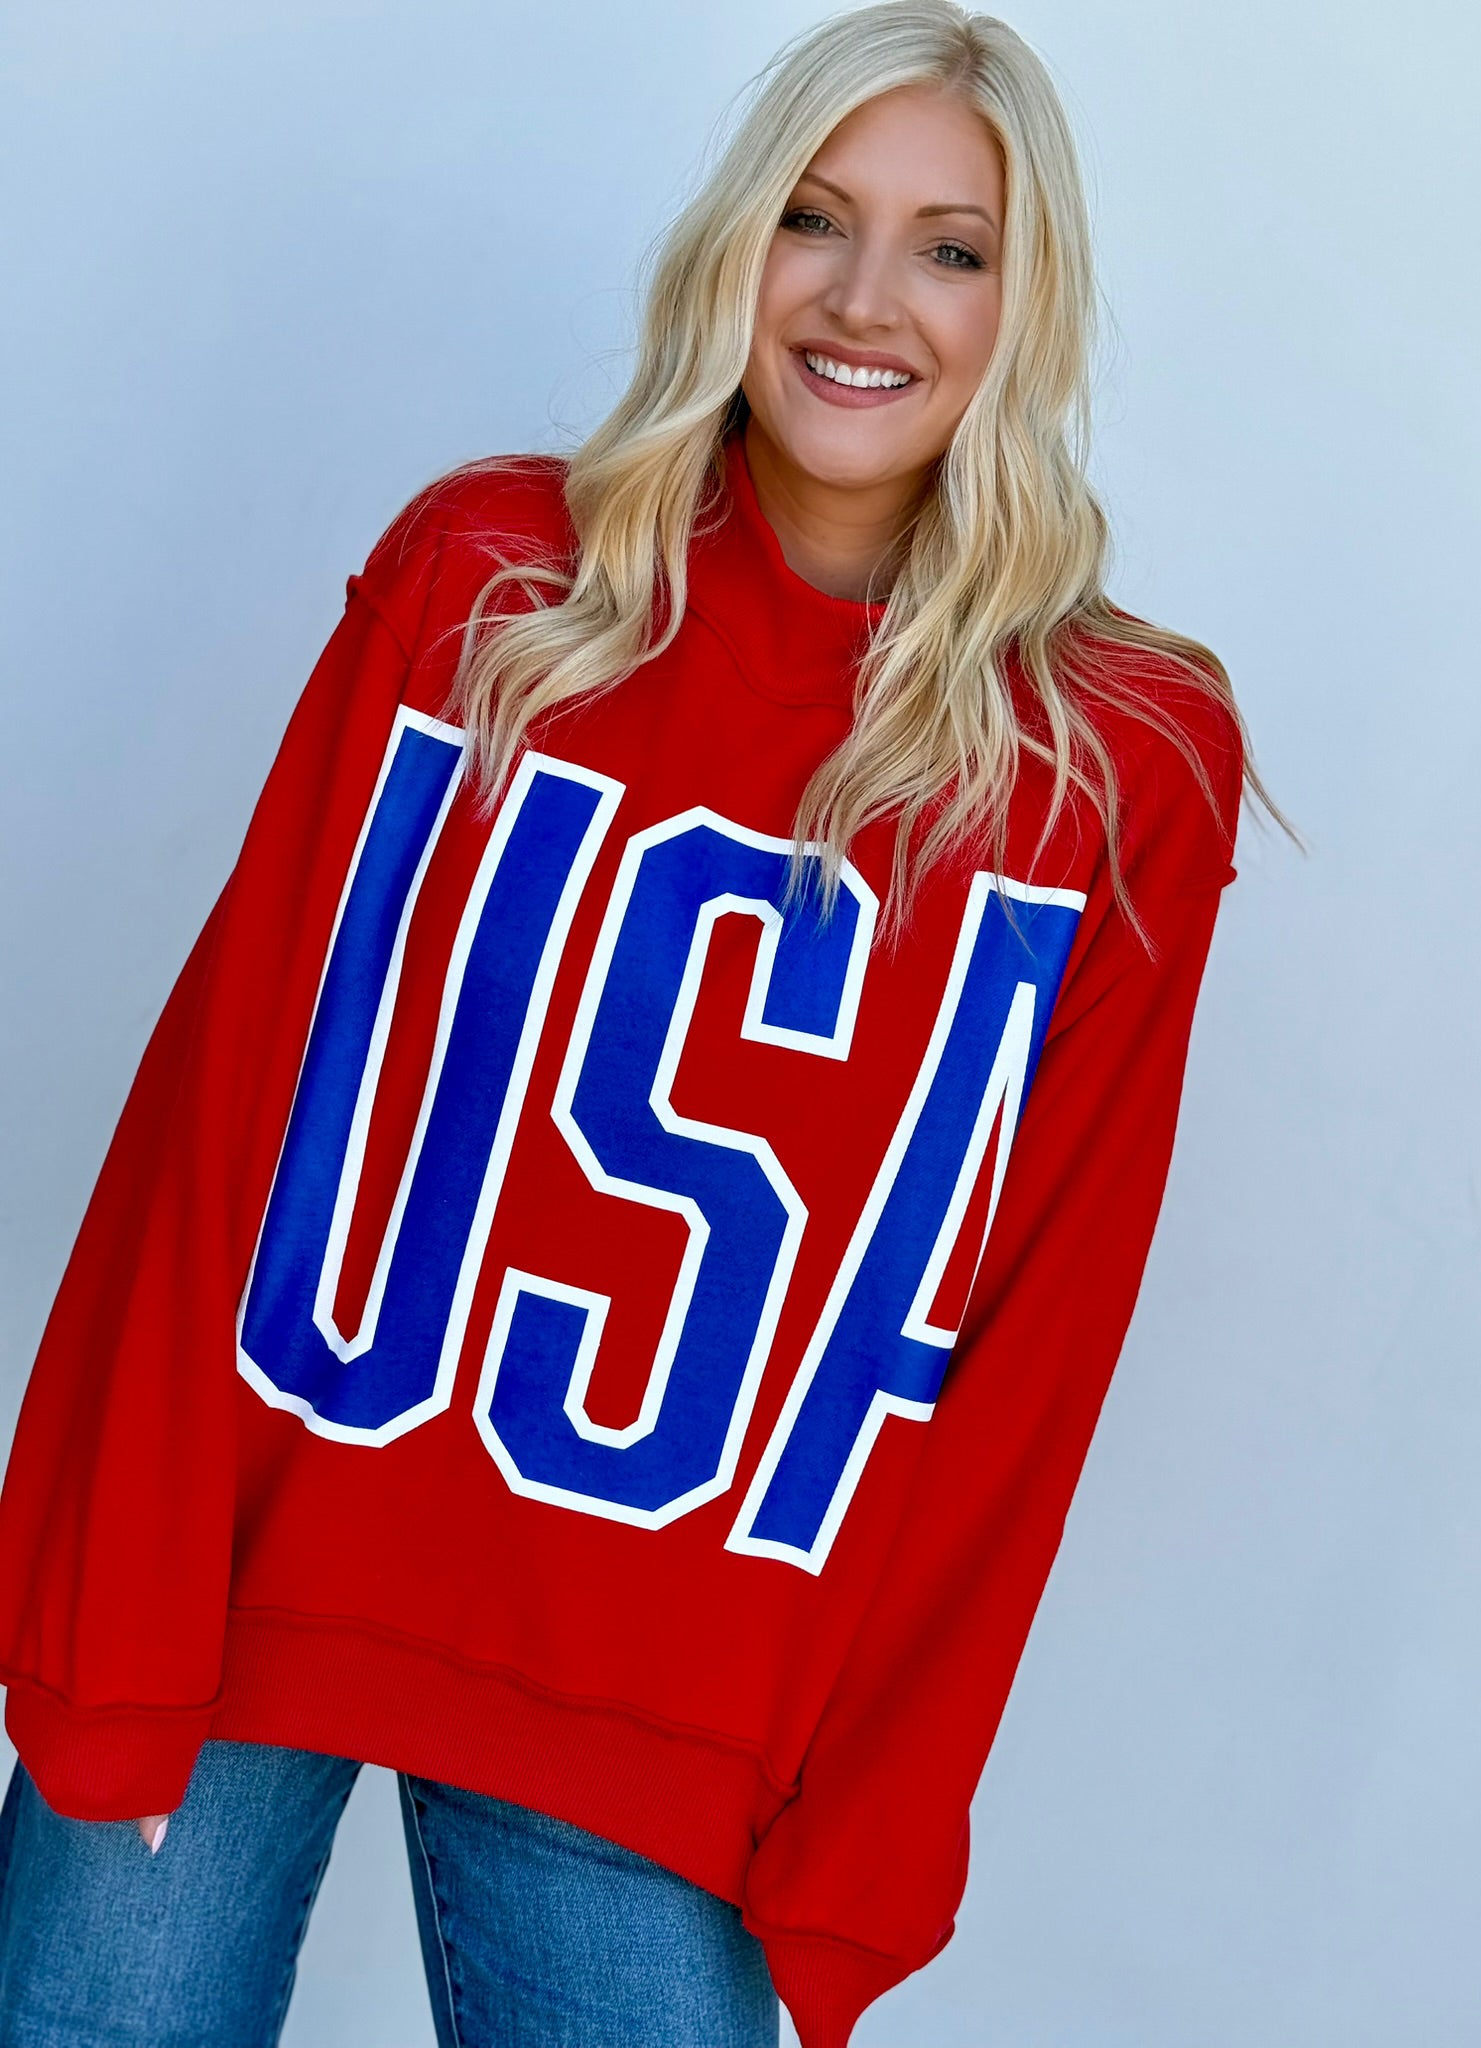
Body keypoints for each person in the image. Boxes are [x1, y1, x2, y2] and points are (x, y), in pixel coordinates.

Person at [0, 3, 1283, 2044]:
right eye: (814, 219)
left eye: (951, 247)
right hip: (244, 1579)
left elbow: (1033, 1347)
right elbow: (225, 1107)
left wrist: (867, 1831)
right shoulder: (487, 581)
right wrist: (107, 1623)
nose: (865, 300)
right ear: (732, 249)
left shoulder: (1112, 763)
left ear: (1025, 308)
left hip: (668, 1706)